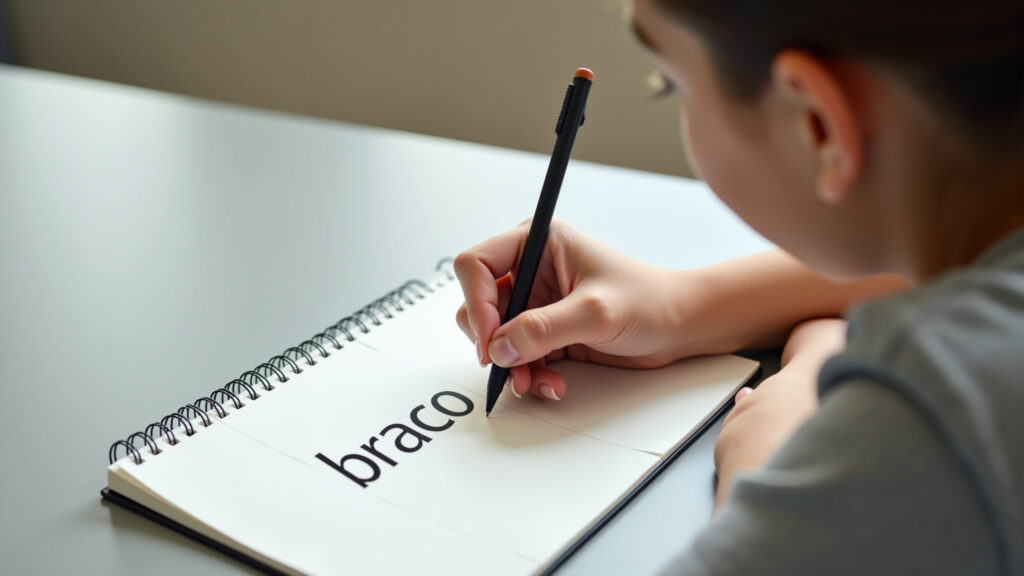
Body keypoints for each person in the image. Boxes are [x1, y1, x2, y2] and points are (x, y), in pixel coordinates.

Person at [453, 0, 1023, 573]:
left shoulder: (934, 423)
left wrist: (773, 454)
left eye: (670, 85)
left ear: (816, 123)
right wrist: (683, 307)